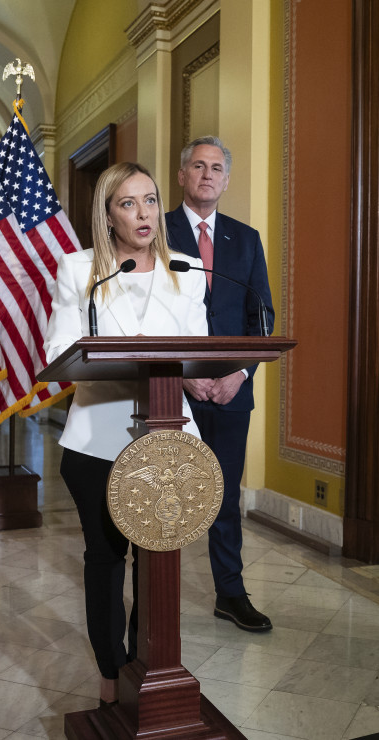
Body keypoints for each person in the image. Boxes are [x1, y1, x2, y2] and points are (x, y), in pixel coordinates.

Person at [43, 162, 208, 705]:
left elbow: (200, 353)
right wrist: (127, 351)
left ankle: (150, 669)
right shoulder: (78, 269)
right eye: (128, 203)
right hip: (98, 440)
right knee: (107, 560)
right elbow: (57, 355)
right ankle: (110, 673)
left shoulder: (188, 268)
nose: (143, 213)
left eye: (151, 200)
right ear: (107, 214)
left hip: (170, 441)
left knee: (158, 564)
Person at [165, 136, 275, 633]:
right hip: (170, 392)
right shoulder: (155, 231)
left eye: (216, 168)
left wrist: (240, 373)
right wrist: (186, 377)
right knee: (163, 491)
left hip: (232, 392)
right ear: (182, 175)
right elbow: (147, 318)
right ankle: (156, 598)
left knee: (225, 497)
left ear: (226, 181)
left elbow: (262, 317)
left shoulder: (245, 239)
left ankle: (230, 594)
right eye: (198, 166)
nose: (207, 174)